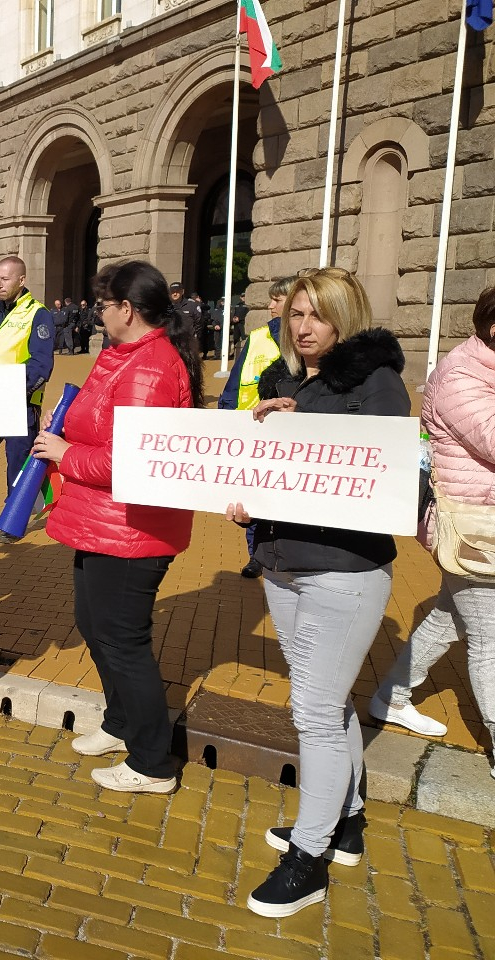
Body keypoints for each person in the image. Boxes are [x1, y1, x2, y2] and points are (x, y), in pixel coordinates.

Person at [226, 267, 410, 918]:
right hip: (282, 562)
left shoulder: (373, 380)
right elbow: (271, 471)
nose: (304, 327)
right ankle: (349, 822)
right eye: (296, 314)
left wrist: (299, 438)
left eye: (318, 315)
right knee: (324, 705)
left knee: (312, 711)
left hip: (344, 569)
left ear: (344, 316)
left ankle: (308, 858)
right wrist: (251, 494)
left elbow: (381, 477)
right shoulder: (283, 381)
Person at [32, 260, 202, 799]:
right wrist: (60, 427)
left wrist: (65, 452)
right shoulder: (120, 355)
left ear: (126, 309)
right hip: (102, 520)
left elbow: (136, 458)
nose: (97, 312)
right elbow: (98, 423)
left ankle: (153, 760)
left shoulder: (151, 368)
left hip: (134, 527)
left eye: (103, 304)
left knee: (123, 639)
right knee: (93, 620)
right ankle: (121, 722)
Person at [372, 285, 495, 770]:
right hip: (472, 528)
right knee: (490, 639)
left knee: (451, 615)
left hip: (480, 523)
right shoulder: (462, 376)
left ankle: (392, 696)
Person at [218, 277, 293, 578]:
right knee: (251, 496)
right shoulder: (258, 336)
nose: (270, 305)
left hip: (287, 434)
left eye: (278, 299)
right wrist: (224, 417)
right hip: (251, 428)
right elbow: (236, 382)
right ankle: (257, 555)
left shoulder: (304, 338)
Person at [0, 256, 54, 544]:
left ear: (21, 280)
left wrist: (15, 390)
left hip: (20, 403)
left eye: (5, 279)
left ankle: (13, 521)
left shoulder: (38, 314)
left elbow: (41, 364)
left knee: (18, 462)